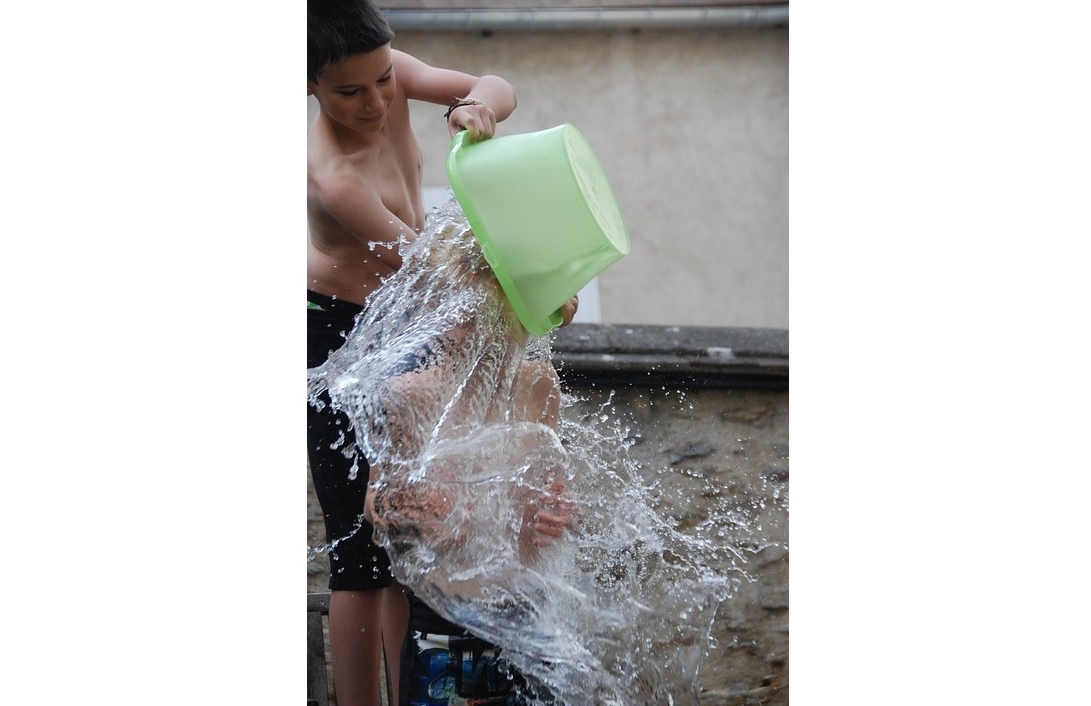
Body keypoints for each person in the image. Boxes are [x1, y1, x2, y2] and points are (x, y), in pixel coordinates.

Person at [306, 2, 576, 704]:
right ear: (308, 86)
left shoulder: (390, 80)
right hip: (337, 333)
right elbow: (428, 271)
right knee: (358, 556)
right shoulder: (331, 178)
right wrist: (534, 289)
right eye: (349, 91)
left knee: (411, 551)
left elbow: (497, 84)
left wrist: (479, 109)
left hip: (408, 320)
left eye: (383, 80)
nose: (375, 101)